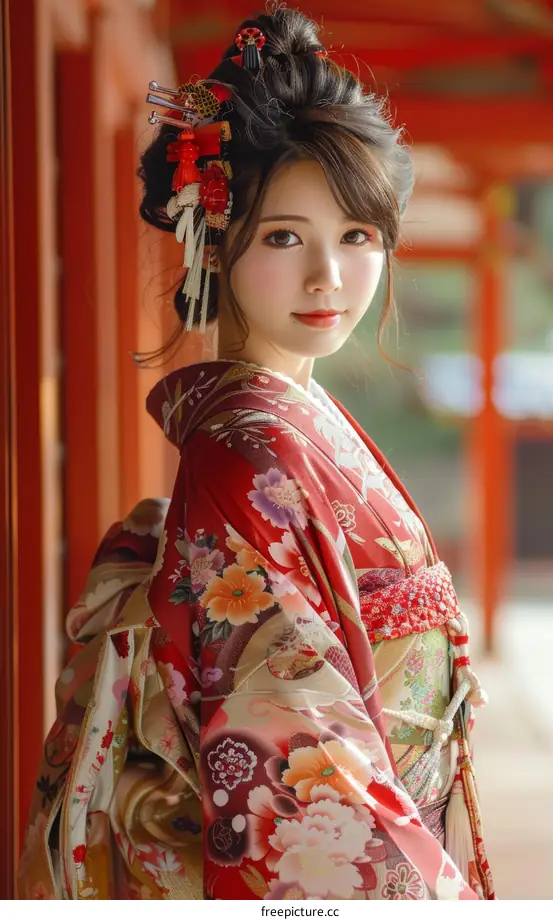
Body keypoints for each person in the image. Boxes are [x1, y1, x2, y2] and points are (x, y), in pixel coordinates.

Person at [18, 5, 494, 901]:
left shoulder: (288, 419)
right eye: (284, 237)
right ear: (212, 244)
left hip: (402, 800)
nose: (329, 277)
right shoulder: (251, 454)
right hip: (357, 830)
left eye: (357, 237)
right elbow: (289, 751)